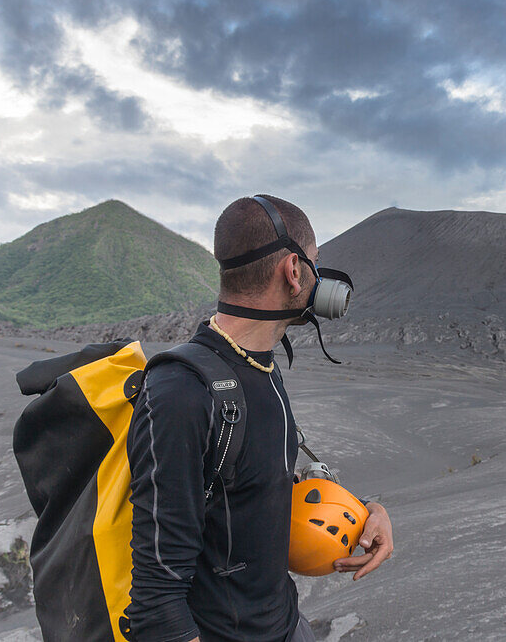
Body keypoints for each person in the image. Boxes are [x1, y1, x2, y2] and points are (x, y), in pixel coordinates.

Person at [125, 195, 394, 642]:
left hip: (284, 623)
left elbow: (259, 489)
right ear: (293, 270)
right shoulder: (182, 390)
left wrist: (369, 511)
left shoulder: (258, 366)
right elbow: (157, 601)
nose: (318, 277)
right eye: (315, 263)